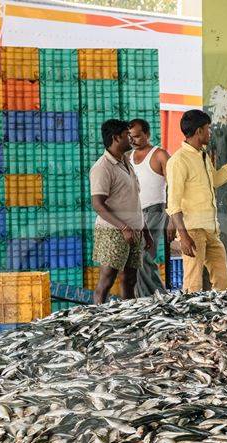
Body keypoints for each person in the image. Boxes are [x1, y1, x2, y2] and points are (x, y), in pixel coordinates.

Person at [166, 109, 227, 293]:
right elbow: (173, 204)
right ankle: (190, 320)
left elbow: (214, 180)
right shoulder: (178, 161)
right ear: (199, 131)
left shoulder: (203, 155)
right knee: (193, 284)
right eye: (208, 129)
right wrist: (183, 236)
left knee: (223, 281)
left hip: (211, 230)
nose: (210, 132)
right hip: (193, 231)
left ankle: (220, 318)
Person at [90, 119, 145, 304]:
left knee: (130, 280)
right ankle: (96, 319)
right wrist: (123, 227)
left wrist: (143, 229)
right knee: (107, 280)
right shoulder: (102, 167)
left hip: (133, 231)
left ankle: (128, 319)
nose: (130, 139)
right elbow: (98, 204)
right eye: (126, 135)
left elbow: (132, 199)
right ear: (115, 138)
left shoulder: (125, 162)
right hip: (112, 231)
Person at [128, 118, 169, 297]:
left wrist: (173, 217)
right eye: (130, 137)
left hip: (154, 210)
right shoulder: (127, 157)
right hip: (134, 213)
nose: (133, 140)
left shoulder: (159, 155)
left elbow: (174, 185)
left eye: (137, 136)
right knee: (135, 259)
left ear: (147, 134)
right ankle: (147, 299)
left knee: (143, 257)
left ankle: (159, 296)